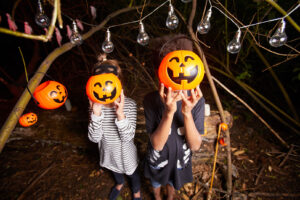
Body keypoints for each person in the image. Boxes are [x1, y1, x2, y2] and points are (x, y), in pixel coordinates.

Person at [143, 35, 205, 200]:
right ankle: (156, 197)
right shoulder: (150, 100)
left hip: (180, 161)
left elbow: (195, 145)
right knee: (156, 183)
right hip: (158, 160)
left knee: (172, 183)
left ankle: (169, 198)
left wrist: (187, 113)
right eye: (174, 70)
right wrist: (169, 113)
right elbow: (156, 144)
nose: (181, 75)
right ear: (160, 73)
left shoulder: (196, 101)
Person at [88, 54, 141, 200]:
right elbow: (94, 138)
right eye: (100, 83)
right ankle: (119, 183)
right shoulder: (95, 107)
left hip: (126, 155)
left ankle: (136, 191)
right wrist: (96, 114)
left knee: (133, 175)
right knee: (115, 172)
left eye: (109, 82)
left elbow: (128, 137)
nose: (105, 87)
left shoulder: (129, 105)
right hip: (108, 152)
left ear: (118, 82)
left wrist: (120, 114)